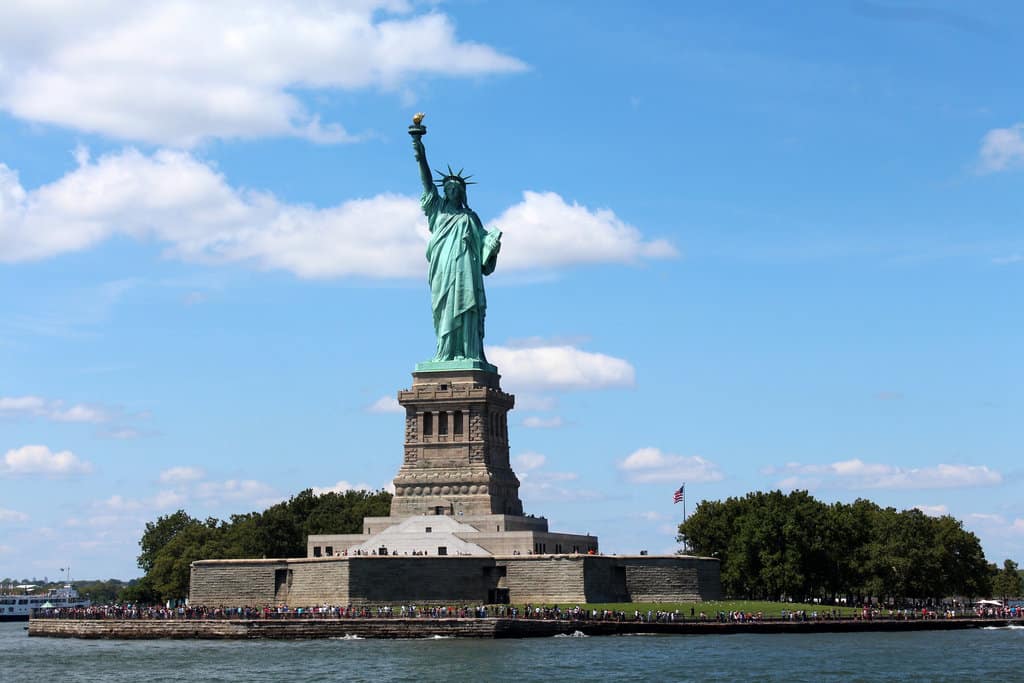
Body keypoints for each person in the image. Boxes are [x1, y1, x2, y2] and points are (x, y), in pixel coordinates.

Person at [411, 129, 501, 363]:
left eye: (456, 189)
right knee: (443, 309)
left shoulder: (471, 217)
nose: (451, 191)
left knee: (467, 307)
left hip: (466, 270)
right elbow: (426, 182)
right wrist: (419, 151)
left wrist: (492, 243)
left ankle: (468, 352)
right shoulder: (437, 210)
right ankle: (446, 352)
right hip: (443, 268)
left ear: (462, 193)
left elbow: (483, 246)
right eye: (448, 188)